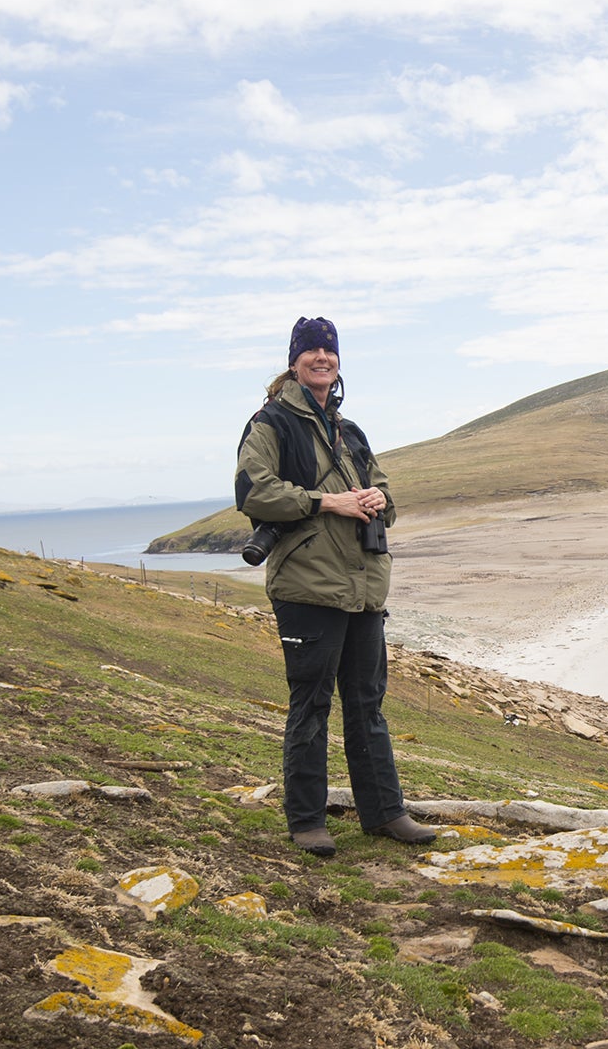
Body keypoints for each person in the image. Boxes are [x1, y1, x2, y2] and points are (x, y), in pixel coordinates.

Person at [234, 316, 435, 857]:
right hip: (307, 586)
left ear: (338, 362)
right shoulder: (271, 422)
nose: (321, 358)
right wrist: (328, 502)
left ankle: (386, 814)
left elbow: (385, 492)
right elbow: (254, 491)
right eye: (311, 352)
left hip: (364, 587)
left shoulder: (351, 431)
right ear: (294, 361)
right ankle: (306, 819)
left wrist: (376, 500)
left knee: (367, 704)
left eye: (329, 351)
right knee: (311, 703)